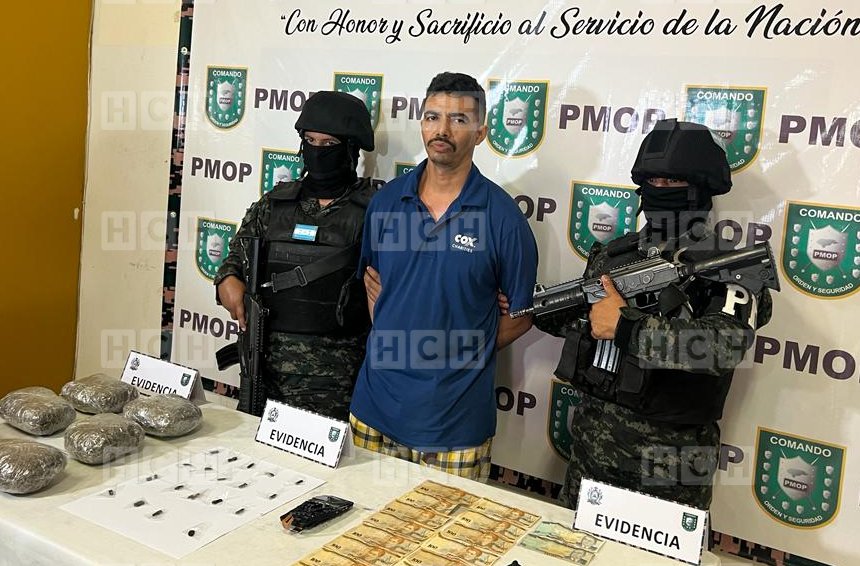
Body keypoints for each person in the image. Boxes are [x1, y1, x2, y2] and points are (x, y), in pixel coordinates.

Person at [534, 118, 773, 509]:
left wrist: (627, 327)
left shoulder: (730, 265)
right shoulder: (615, 255)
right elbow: (587, 325)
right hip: (592, 454)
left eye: (673, 182)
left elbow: (722, 348)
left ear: (701, 188)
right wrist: (544, 310)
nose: (660, 189)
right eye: (652, 181)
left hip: (671, 469)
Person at [349, 71, 538, 481]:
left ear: (481, 133)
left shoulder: (503, 218)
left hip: (455, 427)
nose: (442, 130)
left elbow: (521, 315)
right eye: (433, 117)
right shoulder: (387, 202)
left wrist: (456, 351)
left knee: (448, 527)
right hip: (374, 411)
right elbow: (374, 283)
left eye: (459, 119)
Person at [215, 91, 380, 420]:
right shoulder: (274, 204)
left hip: (339, 383)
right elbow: (235, 260)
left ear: (351, 149)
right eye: (310, 141)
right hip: (266, 374)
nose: (317, 151)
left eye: (329, 144)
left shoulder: (374, 209)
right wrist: (228, 281)